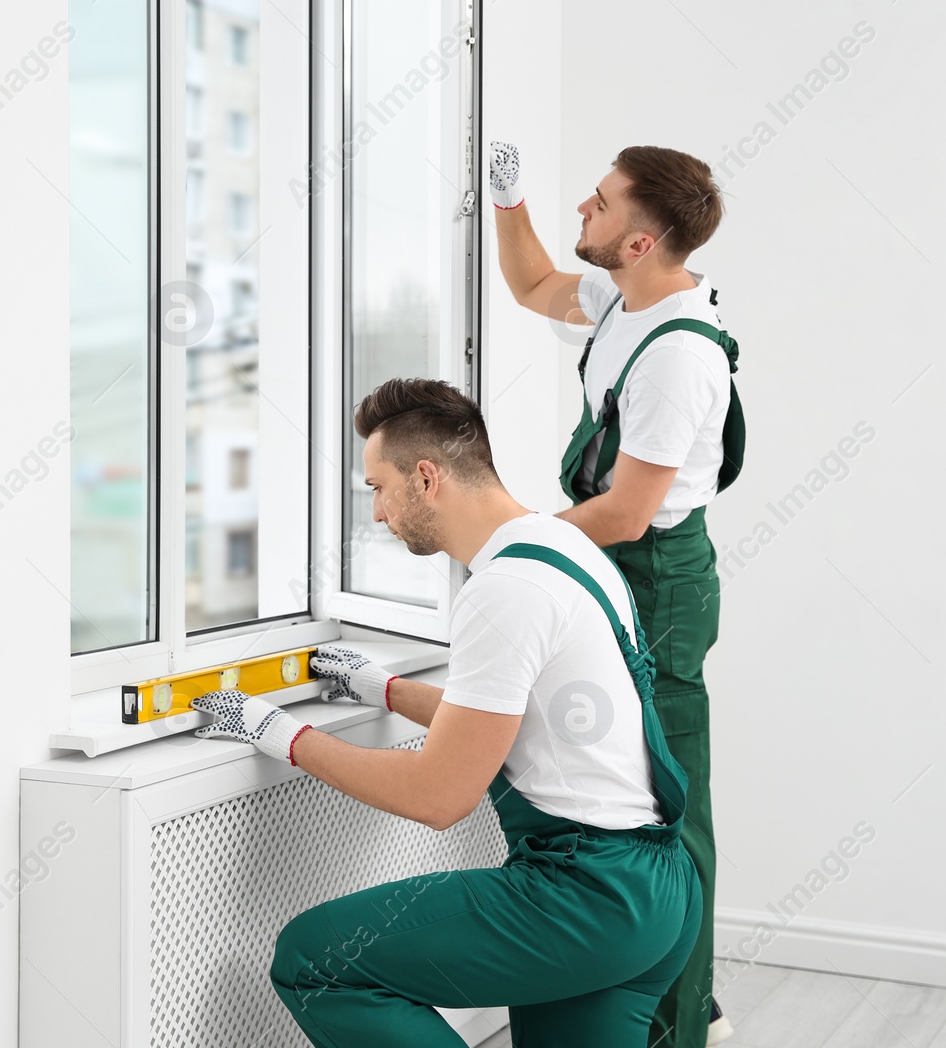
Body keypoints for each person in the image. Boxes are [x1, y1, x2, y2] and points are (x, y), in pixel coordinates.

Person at [192, 378, 700, 1047]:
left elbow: (440, 794)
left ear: (426, 477)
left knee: (316, 961)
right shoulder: (563, 547)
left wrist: (280, 733)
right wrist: (385, 689)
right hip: (659, 891)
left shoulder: (505, 589)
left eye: (376, 486)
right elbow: (505, 716)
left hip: (585, 895)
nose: (376, 512)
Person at [488, 142, 740, 1048]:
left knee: (670, 805)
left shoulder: (680, 355)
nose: (580, 212)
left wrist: (519, 540)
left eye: (597, 204)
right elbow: (534, 286)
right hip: (624, 560)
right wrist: (507, 199)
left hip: (660, 578)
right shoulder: (622, 303)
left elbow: (629, 513)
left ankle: (674, 1028)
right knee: (616, 789)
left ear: (639, 242)